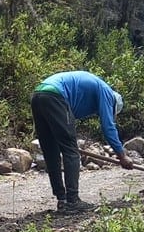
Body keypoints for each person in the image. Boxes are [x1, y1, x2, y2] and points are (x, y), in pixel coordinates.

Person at [30, 71, 134, 215]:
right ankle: (73, 201)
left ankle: (62, 199)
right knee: (71, 152)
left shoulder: (89, 93)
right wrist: (122, 155)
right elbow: (108, 127)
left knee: (51, 150)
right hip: (55, 95)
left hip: (38, 95)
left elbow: (67, 119)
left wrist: (63, 139)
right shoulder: (107, 93)